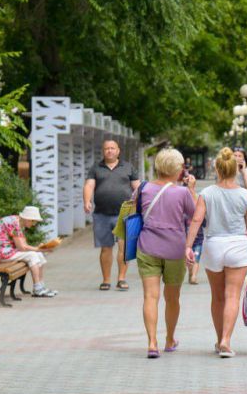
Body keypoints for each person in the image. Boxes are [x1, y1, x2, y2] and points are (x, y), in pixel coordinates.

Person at [134, 148, 203, 359]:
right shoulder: (181, 192)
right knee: (172, 298)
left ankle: (152, 343)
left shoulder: (143, 189)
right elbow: (196, 216)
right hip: (174, 249)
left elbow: (132, 213)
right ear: (177, 169)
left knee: (150, 296)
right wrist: (191, 189)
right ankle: (169, 339)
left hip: (147, 247)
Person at [194, 147, 247, 357]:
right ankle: (226, 340)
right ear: (235, 169)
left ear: (217, 168)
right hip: (238, 246)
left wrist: (188, 246)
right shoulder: (245, 195)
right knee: (232, 295)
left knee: (217, 297)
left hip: (213, 245)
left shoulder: (206, 193)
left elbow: (197, 220)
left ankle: (218, 339)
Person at [83, 140, 140, 291]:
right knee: (106, 248)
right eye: (106, 148)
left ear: (118, 151)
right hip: (102, 214)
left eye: (112, 148)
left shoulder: (128, 167)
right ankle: (106, 280)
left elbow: (137, 187)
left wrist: (142, 205)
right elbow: (89, 185)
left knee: (124, 246)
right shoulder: (96, 168)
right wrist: (87, 201)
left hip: (125, 214)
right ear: (103, 151)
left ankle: (121, 278)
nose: (109, 151)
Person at [0, 206, 58, 297]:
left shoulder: (18, 221)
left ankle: (41, 287)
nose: (34, 224)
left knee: (38, 254)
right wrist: (39, 248)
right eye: (34, 221)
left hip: (5, 251)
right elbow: (22, 247)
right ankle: (37, 289)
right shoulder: (14, 224)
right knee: (33, 255)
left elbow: (23, 244)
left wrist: (39, 249)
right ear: (28, 219)